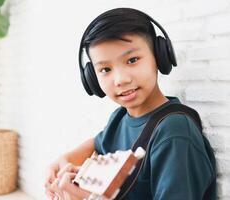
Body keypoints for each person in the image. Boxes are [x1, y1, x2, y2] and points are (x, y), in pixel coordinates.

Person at [44, 8, 216, 200]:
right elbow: (99, 142)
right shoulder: (119, 118)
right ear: (92, 78)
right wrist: (65, 159)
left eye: (132, 60)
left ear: (159, 57)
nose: (120, 79)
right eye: (105, 69)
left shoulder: (174, 133)